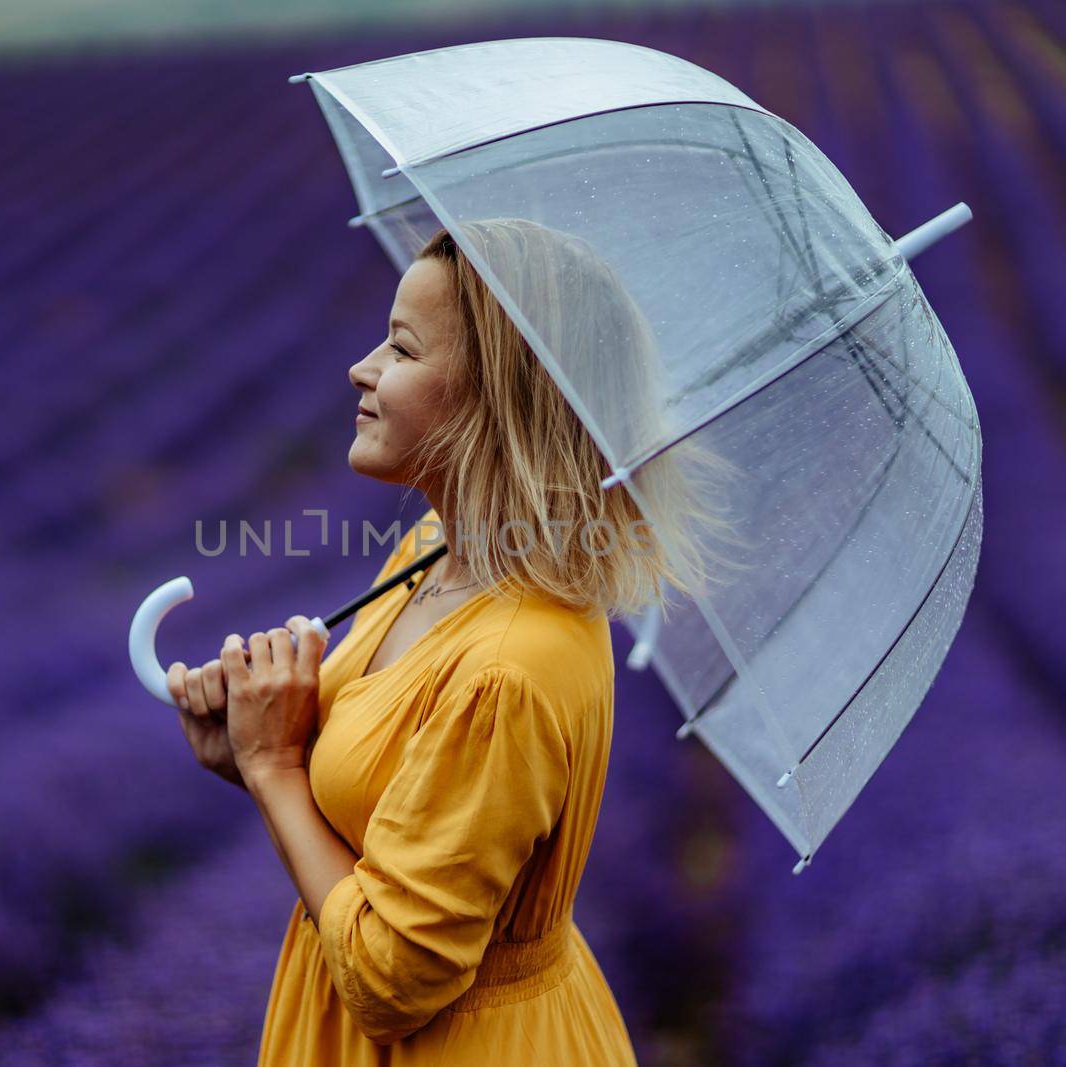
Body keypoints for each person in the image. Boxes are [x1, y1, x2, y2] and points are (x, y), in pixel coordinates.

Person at [165, 219, 737, 1063]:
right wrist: (257, 744)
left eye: (401, 349)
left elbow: (393, 978)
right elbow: (396, 813)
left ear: (496, 395)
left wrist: (275, 768)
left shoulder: (509, 667)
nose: (363, 369)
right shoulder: (432, 551)